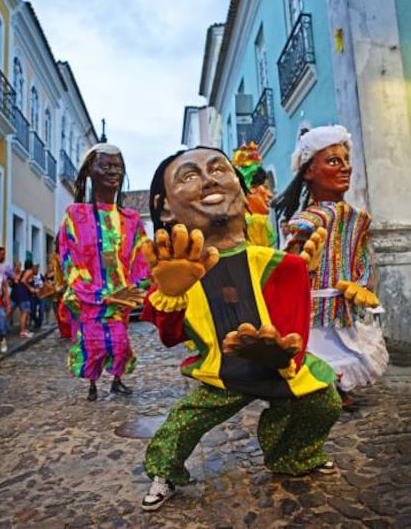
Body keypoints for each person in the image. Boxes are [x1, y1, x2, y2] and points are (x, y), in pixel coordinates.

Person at [139, 146, 341, 512]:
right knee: (184, 423)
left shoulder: (271, 261)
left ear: (241, 190)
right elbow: (171, 337)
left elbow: (293, 309)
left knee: (323, 400)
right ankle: (163, 472)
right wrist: (171, 296)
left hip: (278, 365)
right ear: (165, 206)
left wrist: (283, 351)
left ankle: (290, 454)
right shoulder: (179, 269)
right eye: (189, 175)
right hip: (223, 371)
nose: (208, 178)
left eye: (219, 168)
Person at [274, 125, 388, 406]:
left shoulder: (359, 218)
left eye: (346, 161)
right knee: (320, 348)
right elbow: (287, 266)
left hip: (345, 302)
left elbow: (360, 255)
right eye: (334, 161)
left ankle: (340, 388)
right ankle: (323, 390)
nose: (345, 168)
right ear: (309, 171)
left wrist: (360, 285)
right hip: (314, 306)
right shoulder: (305, 222)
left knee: (350, 346)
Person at [58, 142, 149, 402]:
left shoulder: (131, 219)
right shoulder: (75, 216)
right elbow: (70, 260)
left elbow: (141, 258)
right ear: (90, 171)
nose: (113, 171)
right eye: (106, 165)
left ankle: (118, 380)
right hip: (90, 302)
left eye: (117, 166)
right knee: (92, 345)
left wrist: (134, 288)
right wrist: (98, 294)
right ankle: (92, 385)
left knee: (120, 344)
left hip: (120, 301)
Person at [231, 141, 277, 247]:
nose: (270, 195)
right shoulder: (255, 222)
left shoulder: (238, 223)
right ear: (251, 189)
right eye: (265, 187)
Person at [15, 259, 34, 338]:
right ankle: (22, 331)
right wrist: (30, 288)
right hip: (24, 294)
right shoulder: (29, 271)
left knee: (25, 313)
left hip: (22, 294)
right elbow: (23, 281)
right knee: (24, 313)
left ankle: (24, 329)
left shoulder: (24, 271)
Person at [0, 271, 10, 353]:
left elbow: (5, 291)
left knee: (1, 327)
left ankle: (2, 340)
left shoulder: (0, 277)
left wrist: (8, 305)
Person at [30, 264, 45, 330]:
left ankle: (39, 324)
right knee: (32, 310)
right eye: (34, 268)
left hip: (41, 295)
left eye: (36, 268)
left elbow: (45, 283)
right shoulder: (30, 277)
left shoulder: (41, 276)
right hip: (33, 296)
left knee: (41, 310)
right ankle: (37, 322)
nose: (35, 270)